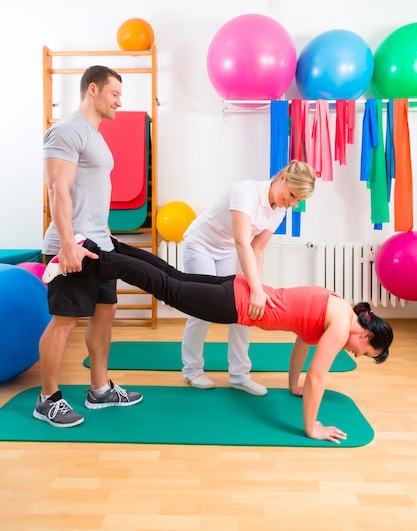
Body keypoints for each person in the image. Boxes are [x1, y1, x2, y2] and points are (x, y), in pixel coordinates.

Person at [43, 238, 393, 442]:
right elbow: (319, 376)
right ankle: (92, 259)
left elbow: (303, 344)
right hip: (237, 304)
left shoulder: (338, 306)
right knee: (168, 287)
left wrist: (293, 386)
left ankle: (107, 246)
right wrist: (311, 426)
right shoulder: (340, 324)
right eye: (364, 351)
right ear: (365, 333)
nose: (355, 352)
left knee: (172, 277)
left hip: (237, 288)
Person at [34, 65, 143, 429]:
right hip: (73, 245)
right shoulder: (66, 131)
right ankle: (47, 398)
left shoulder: (95, 135)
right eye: (114, 94)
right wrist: (67, 246)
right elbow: (57, 190)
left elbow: (90, 193)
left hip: (99, 242)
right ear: (93, 90)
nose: (119, 101)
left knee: (106, 312)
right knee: (64, 321)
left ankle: (99, 389)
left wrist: (106, 236)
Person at [181, 160, 317, 395]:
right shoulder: (244, 192)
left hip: (229, 251)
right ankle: (192, 370)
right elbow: (242, 241)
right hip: (200, 245)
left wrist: (257, 289)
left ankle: (239, 375)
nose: (293, 203)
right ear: (283, 177)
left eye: (298, 201)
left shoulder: (280, 210)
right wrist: (254, 288)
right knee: (201, 309)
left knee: (244, 311)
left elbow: (258, 248)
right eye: (293, 195)